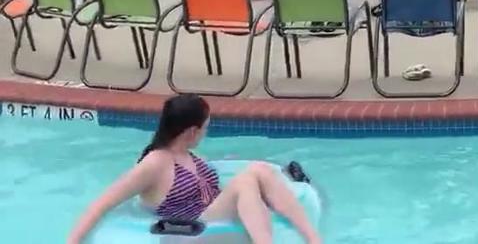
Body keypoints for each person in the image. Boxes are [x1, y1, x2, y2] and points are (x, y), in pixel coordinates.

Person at [67, 94, 320, 244]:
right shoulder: (155, 163)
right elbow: (102, 203)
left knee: (261, 170)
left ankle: (313, 240)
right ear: (191, 131)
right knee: (249, 177)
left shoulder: (190, 155)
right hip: (193, 228)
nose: (206, 132)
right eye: (205, 127)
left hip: (214, 213)